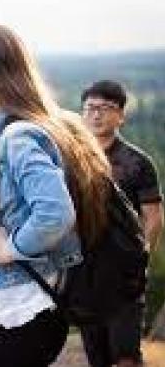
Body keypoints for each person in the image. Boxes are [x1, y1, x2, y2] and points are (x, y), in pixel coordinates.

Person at [0, 25, 112, 367]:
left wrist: (8, 249)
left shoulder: (17, 137)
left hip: (26, 309)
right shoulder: (1, 135)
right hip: (18, 309)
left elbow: (55, 213)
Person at [80, 80, 164, 367]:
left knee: (126, 357)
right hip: (85, 274)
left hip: (125, 275)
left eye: (106, 108)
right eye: (90, 107)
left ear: (121, 116)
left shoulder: (138, 162)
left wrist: (138, 260)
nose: (96, 114)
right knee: (96, 356)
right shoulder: (73, 159)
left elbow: (153, 217)